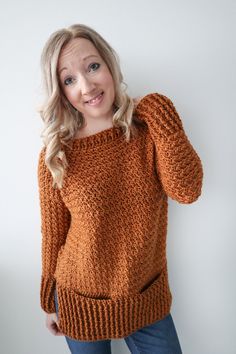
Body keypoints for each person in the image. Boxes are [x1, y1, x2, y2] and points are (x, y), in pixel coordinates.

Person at [37, 23, 203, 354]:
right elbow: (54, 235)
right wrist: (48, 300)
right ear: (61, 91)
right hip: (80, 302)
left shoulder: (147, 129)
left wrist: (159, 111)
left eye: (92, 66)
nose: (86, 86)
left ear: (109, 65)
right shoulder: (56, 156)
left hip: (145, 297)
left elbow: (188, 190)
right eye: (69, 79)